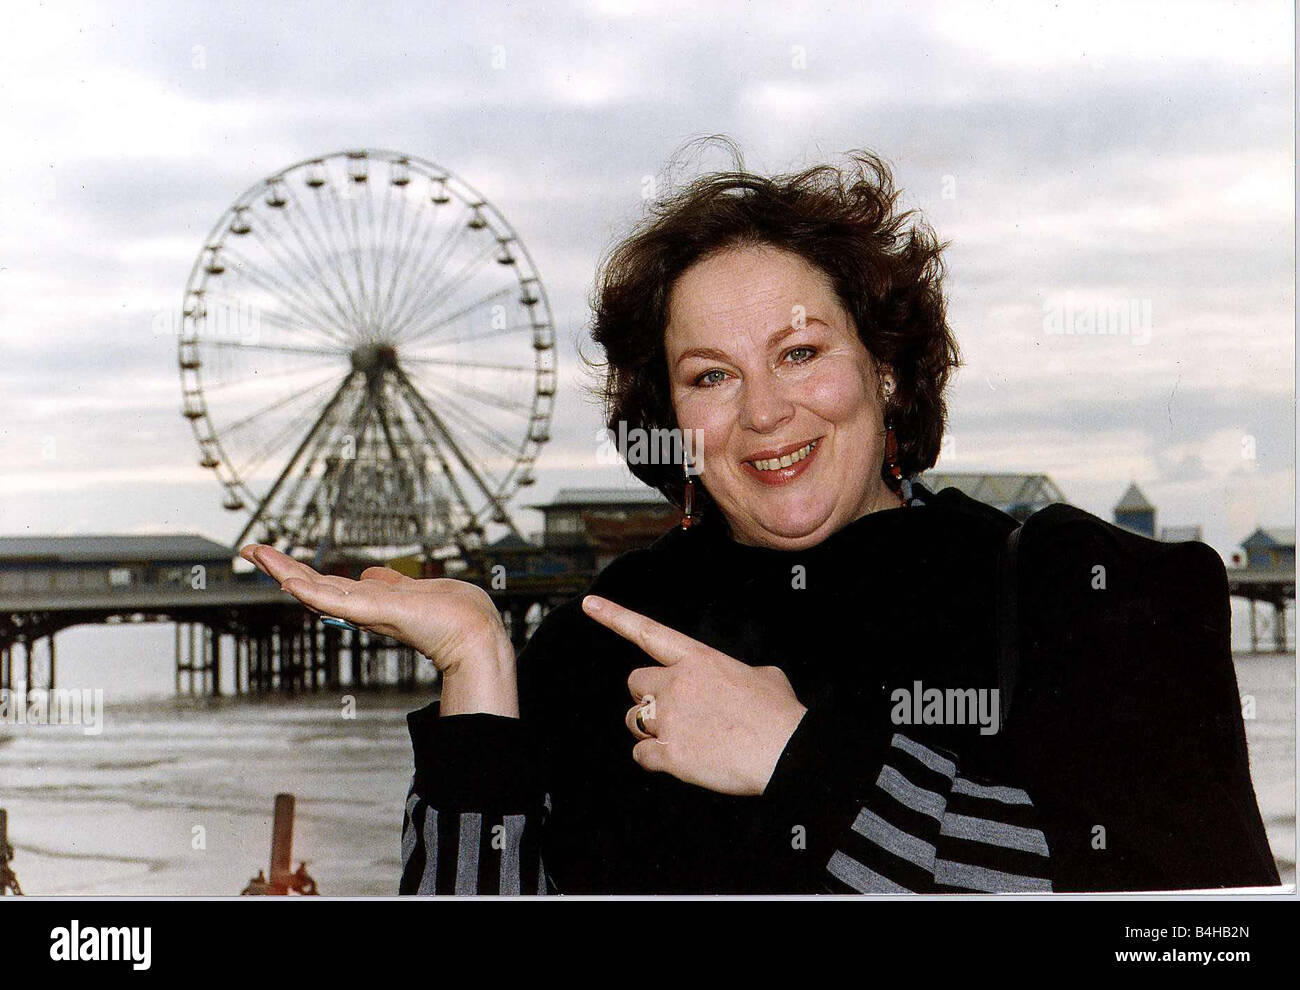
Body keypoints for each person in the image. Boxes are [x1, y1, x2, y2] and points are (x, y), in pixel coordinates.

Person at [240, 146, 1272, 894]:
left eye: (800, 352)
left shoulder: (1090, 591)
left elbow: (1193, 929)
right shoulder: (599, 636)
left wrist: (802, 764)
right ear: (670, 419)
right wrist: (475, 671)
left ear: (887, 365)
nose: (765, 412)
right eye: (710, 376)